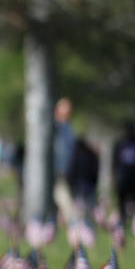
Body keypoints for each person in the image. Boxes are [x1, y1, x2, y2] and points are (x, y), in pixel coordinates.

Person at [112, 120, 135, 224]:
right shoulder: (120, 144)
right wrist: (114, 177)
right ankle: (123, 219)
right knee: (122, 200)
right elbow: (114, 162)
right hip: (123, 177)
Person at [52, 97, 77, 226]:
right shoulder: (53, 127)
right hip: (54, 171)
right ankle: (73, 224)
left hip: (63, 171)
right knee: (64, 198)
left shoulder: (68, 128)